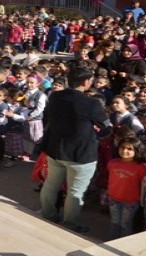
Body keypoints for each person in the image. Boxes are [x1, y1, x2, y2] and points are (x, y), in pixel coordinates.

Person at [40, 66, 110, 233]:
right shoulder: (91, 103)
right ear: (86, 82)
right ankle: (70, 223)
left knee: (51, 184)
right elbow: (106, 127)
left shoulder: (55, 96)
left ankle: (48, 214)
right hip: (81, 154)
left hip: (56, 149)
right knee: (75, 191)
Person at [106, 136, 146, 238]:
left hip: (131, 201)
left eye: (129, 149)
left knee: (126, 223)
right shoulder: (112, 163)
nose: (124, 151)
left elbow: (144, 185)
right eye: (122, 147)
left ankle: (123, 243)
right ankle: (113, 239)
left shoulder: (141, 168)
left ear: (137, 150)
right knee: (114, 221)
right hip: (113, 198)